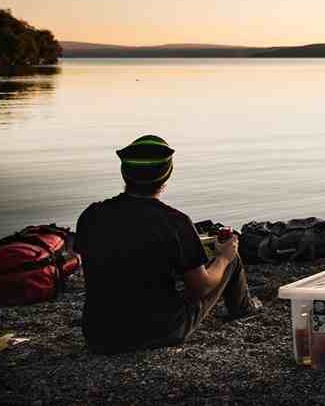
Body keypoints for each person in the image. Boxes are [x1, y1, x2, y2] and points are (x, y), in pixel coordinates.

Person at [75, 135, 261, 354]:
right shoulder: (174, 221)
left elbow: (114, 261)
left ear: (125, 173)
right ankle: (243, 309)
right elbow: (202, 287)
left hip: (99, 334)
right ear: (166, 176)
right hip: (157, 331)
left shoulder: (92, 215)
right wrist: (223, 257)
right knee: (230, 258)